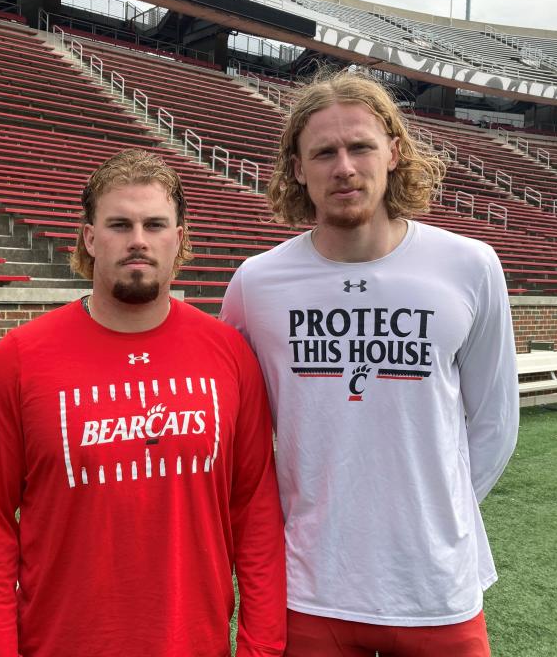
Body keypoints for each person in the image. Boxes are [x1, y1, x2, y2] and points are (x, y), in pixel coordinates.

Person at [221, 70, 519, 657]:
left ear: (394, 151)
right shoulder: (256, 284)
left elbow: (495, 424)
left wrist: (435, 515)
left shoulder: (469, 266)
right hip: (310, 588)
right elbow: (235, 430)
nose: (345, 167)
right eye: (323, 152)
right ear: (297, 169)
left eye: (360, 146)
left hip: (436, 587)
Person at [0, 148, 286, 657]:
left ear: (178, 239)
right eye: (119, 224)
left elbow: (257, 515)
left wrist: (260, 648)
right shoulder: (19, 360)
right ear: (90, 237)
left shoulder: (230, 356)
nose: (138, 240)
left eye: (155, 224)